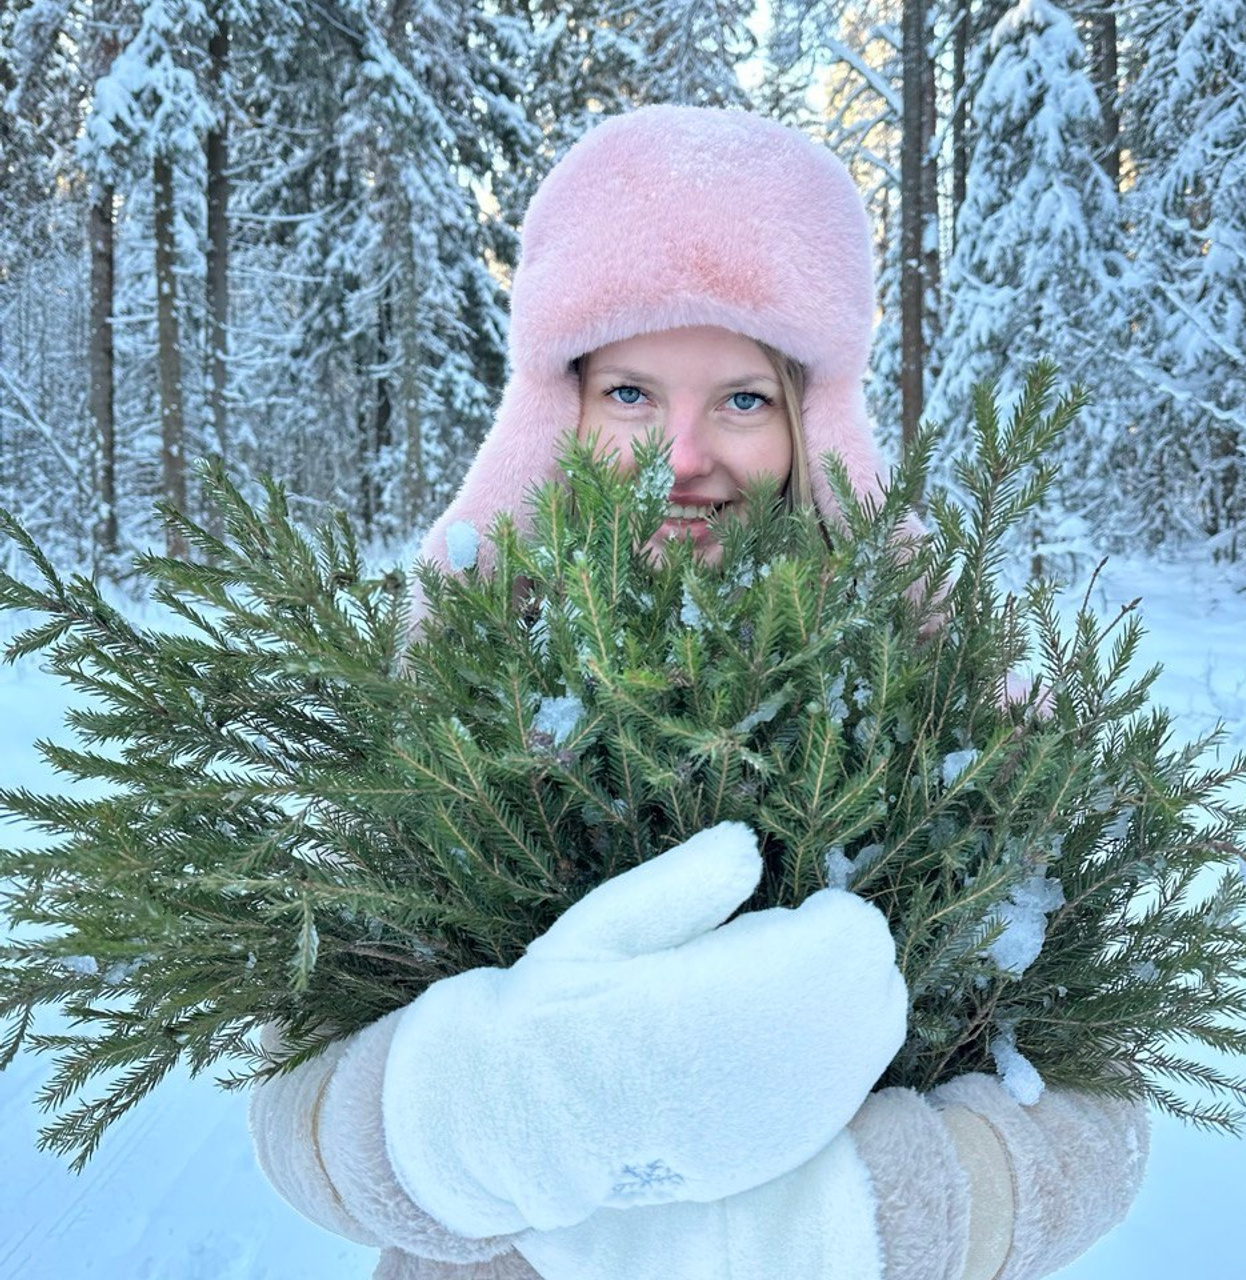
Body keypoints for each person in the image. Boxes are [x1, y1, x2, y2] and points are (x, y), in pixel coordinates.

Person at [250, 104, 1148, 1280]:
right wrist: (457, 1117)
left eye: (741, 399)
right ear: (556, 408)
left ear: (814, 423)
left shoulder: (936, 690)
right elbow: (291, 1089)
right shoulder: (451, 699)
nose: (681, 456)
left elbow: (1098, 1101)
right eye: (629, 393)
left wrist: (840, 1222)